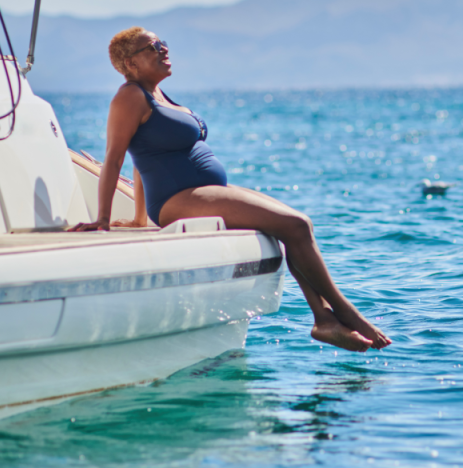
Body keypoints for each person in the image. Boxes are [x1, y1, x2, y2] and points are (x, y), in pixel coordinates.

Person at [71, 27, 390, 353]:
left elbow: (141, 157)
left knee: (296, 226)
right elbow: (115, 157)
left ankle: (325, 319)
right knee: (297, 225)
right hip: (178, 198)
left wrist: (140, 218)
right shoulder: (130, 97)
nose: (163, 49)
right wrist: (103, 219)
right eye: (153, 46)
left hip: (199, 193)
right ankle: (344, 313)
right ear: (131, 63)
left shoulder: (157, 94)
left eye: (162, 43)